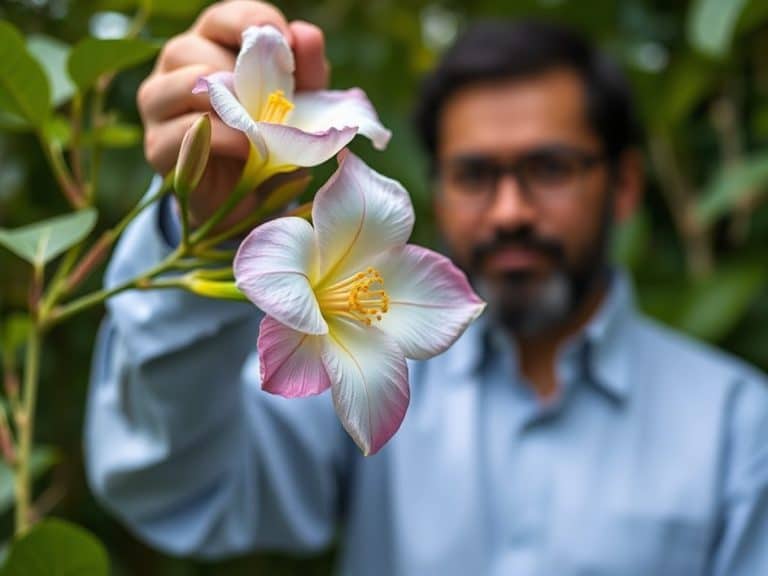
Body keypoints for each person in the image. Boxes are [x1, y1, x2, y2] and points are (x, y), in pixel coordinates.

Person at [84, 2, 768, 575]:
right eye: (474, 175)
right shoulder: (357, 386)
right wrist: (208, 226)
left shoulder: (740, 426)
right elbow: (169, 486)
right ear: (436, 187)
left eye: (549, 168)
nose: (508, 212)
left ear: (623, 186)